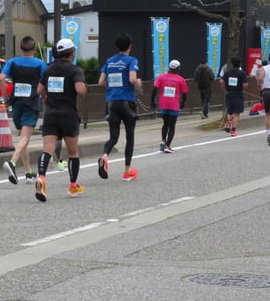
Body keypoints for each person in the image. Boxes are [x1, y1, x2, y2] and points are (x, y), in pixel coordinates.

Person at [35, 38, 88, 202]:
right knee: (73, 152)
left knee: (47, 150)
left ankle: (42, 177)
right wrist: (83, 88)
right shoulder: (75, 70)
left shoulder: (49, 69)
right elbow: (80, 90)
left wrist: (47, 96)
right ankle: (73, 186)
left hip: (51, 114)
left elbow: (39, 90)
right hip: (68, 115)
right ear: (72, 53)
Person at [0, 36, 47, 185]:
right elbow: (45, 83)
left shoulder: (12, 62)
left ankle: (28, 172)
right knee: (26, 137)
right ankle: (12, 163)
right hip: (31, 102)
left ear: (20, 48)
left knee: (22, 136)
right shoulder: (40, 64)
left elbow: (1, 78)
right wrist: (45, 96)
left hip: (16, 102)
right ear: (33, 49)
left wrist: (5, 97)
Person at [97, 32, 142, 181]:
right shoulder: (131, 60)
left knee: (114, 136)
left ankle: (104, 155)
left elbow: (101, 82)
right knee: (130, 136)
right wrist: (139, 83)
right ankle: (127, 171)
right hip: (127, 101)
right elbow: (132, 79)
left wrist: (114, 84)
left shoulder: (109, 61)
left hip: (111, 101)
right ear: (130, 46)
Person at [151, 59, 188, 153]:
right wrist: (183, 102)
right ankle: (167, 145)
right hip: (174, 105)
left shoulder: (161, 77)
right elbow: (184, 93)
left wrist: (152, 101)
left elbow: (155, 89)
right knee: (172, 126)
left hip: (163, 104)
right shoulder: (181, 79)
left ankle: (163, 140)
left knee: (165, 123)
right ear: (178, 68)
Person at [220, 56, 248, 137]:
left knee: (230, 111)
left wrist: (223, 86)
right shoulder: (242, 73)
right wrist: (243, 86)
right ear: (240, 64)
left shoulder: (228, 73)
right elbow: (245, 84)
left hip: (229, 94)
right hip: (238, 94)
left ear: (232, 64)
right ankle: (233, 130)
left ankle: (229, 122)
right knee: (236, 113)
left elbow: (221, 81)